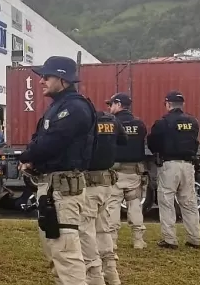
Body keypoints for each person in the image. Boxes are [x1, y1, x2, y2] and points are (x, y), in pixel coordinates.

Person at [18, 56, 95, 285]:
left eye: (46, 76)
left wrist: (27, 156)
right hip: (55, 188)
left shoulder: (74, 107)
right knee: (57, 251)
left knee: (66, 253)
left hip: (63, 189)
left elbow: (52, 142)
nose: (41, 81)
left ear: (62, 79)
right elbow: (45, 141)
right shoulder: (60, 106)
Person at [147, 91, 200, 249]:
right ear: (182, 104)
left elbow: (153, 143)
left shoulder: (163, 122)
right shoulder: (193, 121)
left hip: (169, 164)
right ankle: (194, 238)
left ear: (167, 104)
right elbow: (195, 142)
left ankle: (170, 239)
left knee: (166, 201)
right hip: (188, 165)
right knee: (189, 202)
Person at [79, 110, 125, 285]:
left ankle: (94, 276)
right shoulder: (111, 120)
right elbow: (123, 140)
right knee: (103, 229)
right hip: (106, 181)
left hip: (89, 182)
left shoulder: (85, 119)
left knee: (85, 230)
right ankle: (111, 273)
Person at [105, 93, 148, 250]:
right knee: (135, 205)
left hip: (115, 172)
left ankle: (112, 241)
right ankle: (138, 240)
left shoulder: (112, 123)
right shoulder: (140, 124)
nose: (109, 108)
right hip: (134, 172)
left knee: (113, 205)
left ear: (118, 104)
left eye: (111, 105)